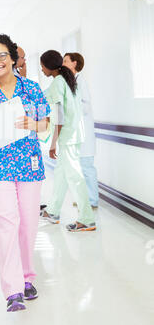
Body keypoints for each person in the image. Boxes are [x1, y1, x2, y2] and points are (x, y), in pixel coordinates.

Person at [0, 34, 50, 312]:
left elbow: (45, 125)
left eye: (2, 56)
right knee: (6, 223)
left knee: (28, 223)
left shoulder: (32, 88)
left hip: (28, 163)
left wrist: (33, 123)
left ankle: (28, 278)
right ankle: (12, 289)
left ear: (13, 58)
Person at [40, 50, 96, 232]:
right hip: (75, 134)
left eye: (42, 66)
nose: (41, 69)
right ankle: (53, 211)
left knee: (74, 176)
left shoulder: (58, 82)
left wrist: (53, 143)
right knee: (61, 174)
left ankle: (87, 219)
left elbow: (59, 116)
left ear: (48, 66)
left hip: (68, 136)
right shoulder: (67, 80)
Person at [63, 52, 99, 209]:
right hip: (76, 133)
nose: (63, 64)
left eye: (66, 61)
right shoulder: (70, 81)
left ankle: (92, 200)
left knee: (87, 167)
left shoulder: (80, 81)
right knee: (78, 168)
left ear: (74, 63)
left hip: (84, 133)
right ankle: (84, 198)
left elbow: (85, 106)